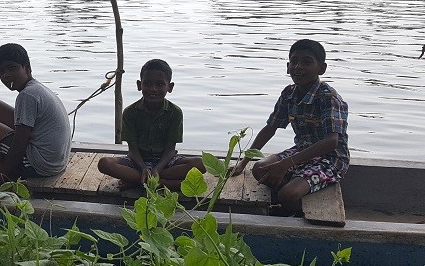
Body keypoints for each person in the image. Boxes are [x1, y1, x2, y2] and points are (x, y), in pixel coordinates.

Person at [232, 39, 349, 212]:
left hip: (331, 159)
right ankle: (293, 192)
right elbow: (270, 128)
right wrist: (243, 162)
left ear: (321, 69)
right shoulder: (289, 93)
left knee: (288, 194)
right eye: (294, 61)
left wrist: (286, 164)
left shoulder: (328, 97)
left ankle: (292, 209)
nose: (298, 67)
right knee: (259, 169)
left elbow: (331, 142)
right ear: (287, 66)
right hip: (302, 151)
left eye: (307, 62)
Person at [0, 43, 72, 194]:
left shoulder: (27, 95)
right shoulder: (35, 88)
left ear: (27, 68)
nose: (6, 75)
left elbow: (19, 146)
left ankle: (7, 177)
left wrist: (1, 178)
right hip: (55, 161)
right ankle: (3, 167)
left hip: (41, 165)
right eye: (2, 71)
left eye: (12, 68)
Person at [97, 59, 204, 191]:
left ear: (169, 87)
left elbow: (170, 150)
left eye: (159, 84)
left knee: (201, 164)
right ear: (139, 85)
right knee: (104, 163)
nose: (153, 89)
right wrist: (143, 168)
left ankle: (142, 180)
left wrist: (157, 169)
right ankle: (162, 183)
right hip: (137, 161)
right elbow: (133, 150)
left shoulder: (175, 112)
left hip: (165, 162)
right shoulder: (130, 112)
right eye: (147, 84)